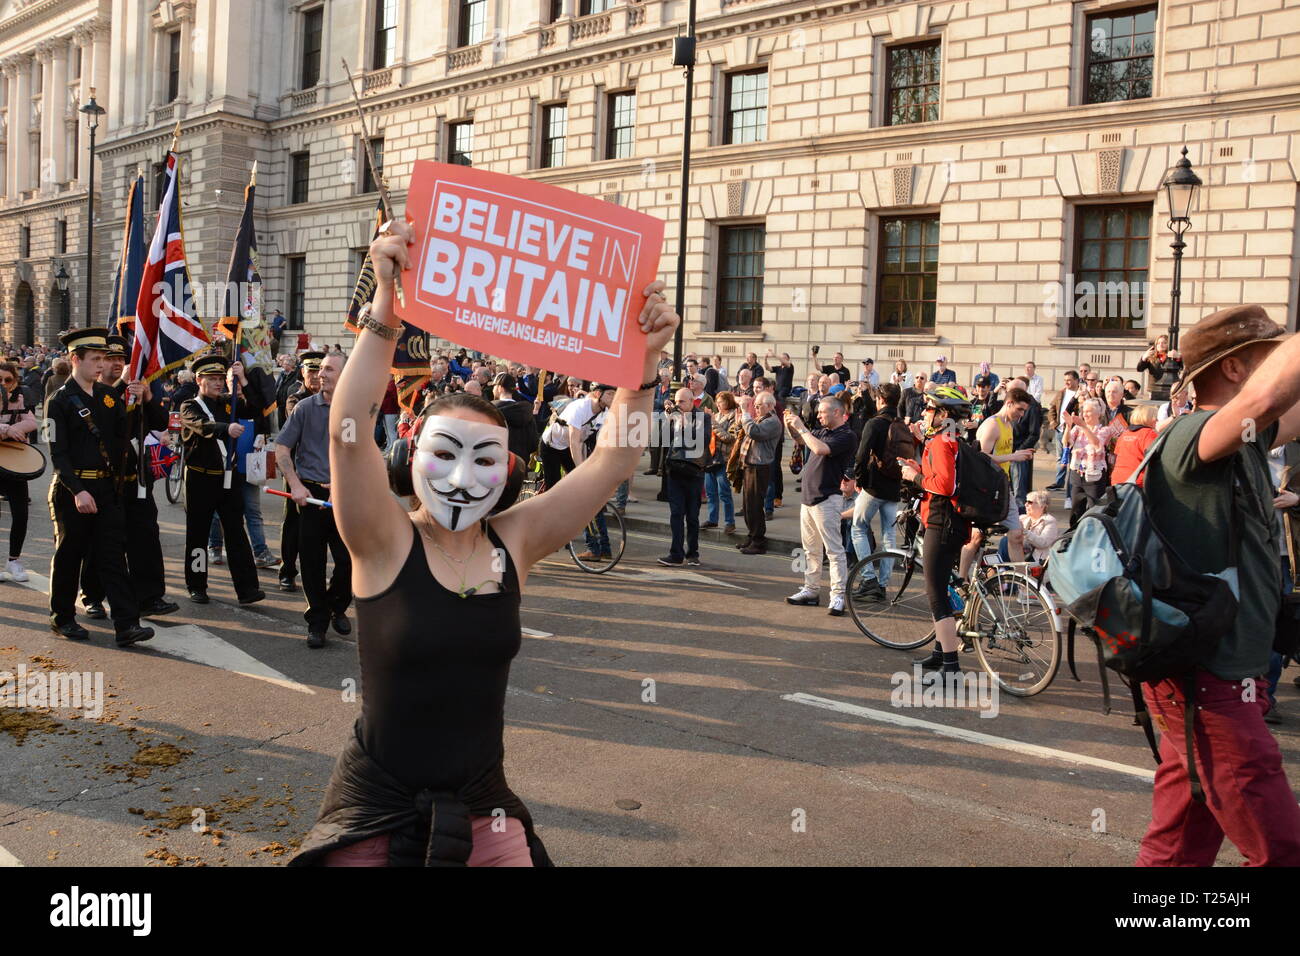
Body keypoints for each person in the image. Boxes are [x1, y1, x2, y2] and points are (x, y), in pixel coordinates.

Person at [290, 217, 678, 867]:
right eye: (445, 453)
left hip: (484, 810)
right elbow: (348, 426)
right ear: (409, 458)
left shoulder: (515, 541)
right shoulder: (382, 540)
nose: (463, 477)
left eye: (485, 459)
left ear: (509, 469)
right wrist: (386, 304)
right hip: (377, 814)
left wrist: (643, 365)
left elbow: (611, 460)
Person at [1128, 304, 1300, 866]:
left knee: (1181, 839)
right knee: (1281, 848)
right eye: (1267, 356)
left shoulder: (1244, 437)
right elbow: (1265, 399)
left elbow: (1285, 408)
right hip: (1209, 683)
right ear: (1233, 368)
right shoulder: (1194, 433)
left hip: (1213, 680)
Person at [45, 328, 154, 646]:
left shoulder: (108, 396)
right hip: (73, 490)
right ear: (75, 359)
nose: (101, 364)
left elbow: (125, 436)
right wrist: (78, 490)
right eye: (95, 358)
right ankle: (62, 618)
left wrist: (136, 399)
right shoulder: (60, 400)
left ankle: (126, 624)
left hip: (107, 490)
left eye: (104, 358)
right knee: (69, 556)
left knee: (112, 557)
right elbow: (58, 454)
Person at [77, 336, 179, 620]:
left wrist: (146, 397)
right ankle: (92, 596)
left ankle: (149, 596)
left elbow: (159, 423)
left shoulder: (133, 390)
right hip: (104, 480)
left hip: (135, 477)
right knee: (102, 541)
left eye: (122, 360)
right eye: (110, 359)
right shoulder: (92, 392)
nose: (116, 364)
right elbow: (105, 420)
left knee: (145, 536)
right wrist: (122, 385)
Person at [275, 352, 351, 648]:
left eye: (330, 369)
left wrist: (343, 484)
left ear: (345, 374)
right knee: (312, 562)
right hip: (310, 495)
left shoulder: (354, 411)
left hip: (343, 495)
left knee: (347, 562)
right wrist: (295, 484)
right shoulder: (305, 408)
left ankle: (337, 605)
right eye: (320, 369)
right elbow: (282, 448)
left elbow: (360, 455)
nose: (322, 374)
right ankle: (317, 621)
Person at [180, 352, 266, 607]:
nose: (218, 383)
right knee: (197, 533)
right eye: (212, 378)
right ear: (199, 379)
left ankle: (247, 588)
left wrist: (243, 379)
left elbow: (255, 407)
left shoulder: (229, 403)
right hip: (200, 478)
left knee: (236, 533)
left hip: (228, 478)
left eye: (221, 378)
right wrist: (224, 428)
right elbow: (201, 425)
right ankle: (196, 585)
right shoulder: (190, 405)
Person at [900, 385, 972, 676]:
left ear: (943, 414)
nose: (924, 412)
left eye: (929, 408)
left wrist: (915, 476)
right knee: (939, 589)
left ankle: (952, 669)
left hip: (942, 523)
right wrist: (918, 467)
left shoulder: (944, 440)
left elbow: (946, 486)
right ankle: (940, 653)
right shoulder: (949, 437)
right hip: (948, 522)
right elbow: (942, 476)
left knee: (936, 596)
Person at [783, 394, 856, 615]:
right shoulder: (822, 431)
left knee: (834, 551)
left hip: (827, 499)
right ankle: (811, 590)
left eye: (822, 412)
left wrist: (802, 428)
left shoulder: (847, 435)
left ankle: (837, 596)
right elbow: (799, 440)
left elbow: (820, 449)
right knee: (810, 550)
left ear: (836, 412)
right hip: (809, 499)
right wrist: (791, 425)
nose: (818, 415)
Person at [207, 358, 278, 569]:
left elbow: (258, 410)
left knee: (253, 511)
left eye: (238, 379)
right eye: (231, 379)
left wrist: (244, 381)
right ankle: (215, 547)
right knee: (217, 512)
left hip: (249, 467)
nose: (234, 383)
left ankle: (261, 551)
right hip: (225, 466)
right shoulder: (221, 403)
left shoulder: (250, 402)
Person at [957, 385, 1034, 581]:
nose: (1022, 414)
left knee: (1016, 535)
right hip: (986, 490)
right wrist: (1014, 456)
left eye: (1024, 411)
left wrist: (1013, 457)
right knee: (975, 538)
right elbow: (981, 457)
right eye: (1019, 409)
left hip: (1003, 486)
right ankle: (961, 580)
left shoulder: (1009, 425)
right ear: (1009, 403)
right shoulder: (992, 424)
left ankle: (1023, 584)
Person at [850, 383, 908, 600]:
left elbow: (861, 455)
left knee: (857, 528)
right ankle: (882, 585)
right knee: (889, 536)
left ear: (881, 400)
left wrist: (860, 480)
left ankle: (869, 579)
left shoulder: (875, 423)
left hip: (874, 485)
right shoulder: (901, 423)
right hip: (894, 486)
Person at [278, 351, 323, 592]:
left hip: (323, 474)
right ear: (302, 373)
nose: (315, 376)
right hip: (297, 471)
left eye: (319, 371)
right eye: (310, 371)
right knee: (293, 523)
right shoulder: (296, 400)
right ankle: (287, 570)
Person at [658, 387, 711, 566]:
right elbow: (664, 440)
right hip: (675, 472)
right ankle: (676, 554)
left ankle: (693, 554)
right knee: (676, 514)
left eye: (682, 401)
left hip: (694, 473)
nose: (677, 405)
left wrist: (684, 423)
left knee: (693, 517)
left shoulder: (703, 418)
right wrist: (667, 421)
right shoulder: (674, 417)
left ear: (691, 401)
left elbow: (700, 441)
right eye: (676, 401)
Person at [0, 361, 37, 581]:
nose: (4, 384)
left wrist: (15, 429)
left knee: (21, 514)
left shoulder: (21, 397)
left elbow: (31, 422)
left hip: (14, 463)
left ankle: (14, 561)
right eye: (0, 380)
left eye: (8, 380)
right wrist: (8, 429)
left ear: (15, 380)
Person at [1063, 398, 1124, 528]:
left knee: (1094, 508)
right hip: (1077, 472)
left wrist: (1084, 426)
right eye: (1084, 411)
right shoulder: (1077, 429)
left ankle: (1093, 533)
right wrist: (1068, 426)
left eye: (1089, 411)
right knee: (1076, 508)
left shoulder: (1105, 430)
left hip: (1094, 475)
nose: (1085, 414)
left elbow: (1097, 444)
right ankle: (1073, 535)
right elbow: (1066, 443)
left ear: (1099, 414)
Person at [735, 392, 781, 555]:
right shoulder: (761, 419)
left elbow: (754, 432)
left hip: (760, 466)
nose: (755, 408)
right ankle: (752, 536)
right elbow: (745, 430)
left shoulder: (773, 422)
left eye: (758, 406)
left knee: (755, 505)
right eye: (754, 406)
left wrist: (745, 412)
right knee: (748, 505)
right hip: (750, 464)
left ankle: (759, 542)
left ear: (769, 405)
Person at [705, 391, 739, 533]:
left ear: (728, 402)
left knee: (724, 492)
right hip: (710, 458)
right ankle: (712, 519)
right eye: (717, 401)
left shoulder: (734, 417)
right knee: (710, 492)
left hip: (724, 459)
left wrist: (713, 423)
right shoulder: (716, 416)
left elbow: (729, 438)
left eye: (721, 401)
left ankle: (729, 522)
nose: (718, 404)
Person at [997, 489, 1060, 564]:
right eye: (1026, 501)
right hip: (1019, 552)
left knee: (1005, 541)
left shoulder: (1050, 521)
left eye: (1029, 502)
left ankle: (1002, 568)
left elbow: (1043, 543)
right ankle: (1001, 568)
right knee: (1005, 540)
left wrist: (1024, 531)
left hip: (1035, 558)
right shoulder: (1022, 518)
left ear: (1042, 506)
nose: (1025, 504)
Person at [492, 372, 538, 462]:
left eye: (494, 386)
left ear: (500, 388)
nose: (493, 389)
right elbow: (533, 442)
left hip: (497, 462)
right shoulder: (526, 411)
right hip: (520, 462)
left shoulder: (491, 410)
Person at [1110, 403, 1159, 486]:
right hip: (1136, 482)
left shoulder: (1124, 434)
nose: (1157, 420)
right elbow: (1154, 457)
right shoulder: (1149, 434)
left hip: (1117, 479)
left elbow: (1116, 456)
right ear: (1149, 418)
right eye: (1155, 417)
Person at [1046, 370, 1080, 492]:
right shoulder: (1061, 393)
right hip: (1060, 430)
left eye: (1069, 380)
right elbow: (1052, 408)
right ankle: (1059, 482)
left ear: (1076, 380)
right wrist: (1052, 422)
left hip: (1073, 432)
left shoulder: (1080, 394)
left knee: (1072, 459)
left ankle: (1072, 485)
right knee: (1061, 458)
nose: (1067, 383)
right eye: (1065, 380)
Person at [1136, 332, 1183, 401]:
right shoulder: (1151, 356)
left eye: (1164, 343)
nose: (1161, 345)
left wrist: (1178, 357)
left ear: (1169, 344)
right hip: (1154, 388)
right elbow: (1139, 369)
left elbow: (1183, 367)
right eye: (1158, 343)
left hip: (1170, 388)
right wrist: (1144, 358)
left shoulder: (1174, 355)